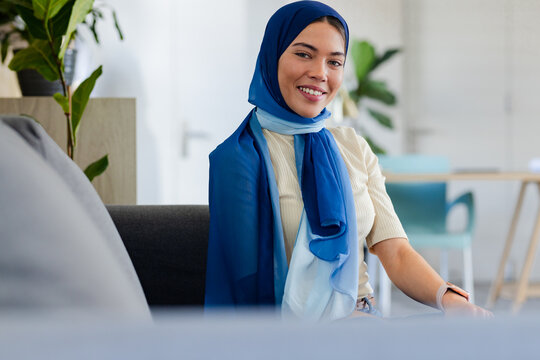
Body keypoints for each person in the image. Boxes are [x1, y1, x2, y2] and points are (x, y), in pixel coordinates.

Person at [205, 0, 492, 320]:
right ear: (272, 56)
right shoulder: (236, 159)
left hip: (362, 317)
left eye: (335, 62)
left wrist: (451, 300)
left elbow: (395, 252)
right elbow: (246, 286)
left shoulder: (353, 146)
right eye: (303, 54)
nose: (319, 73)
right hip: (290, 330)